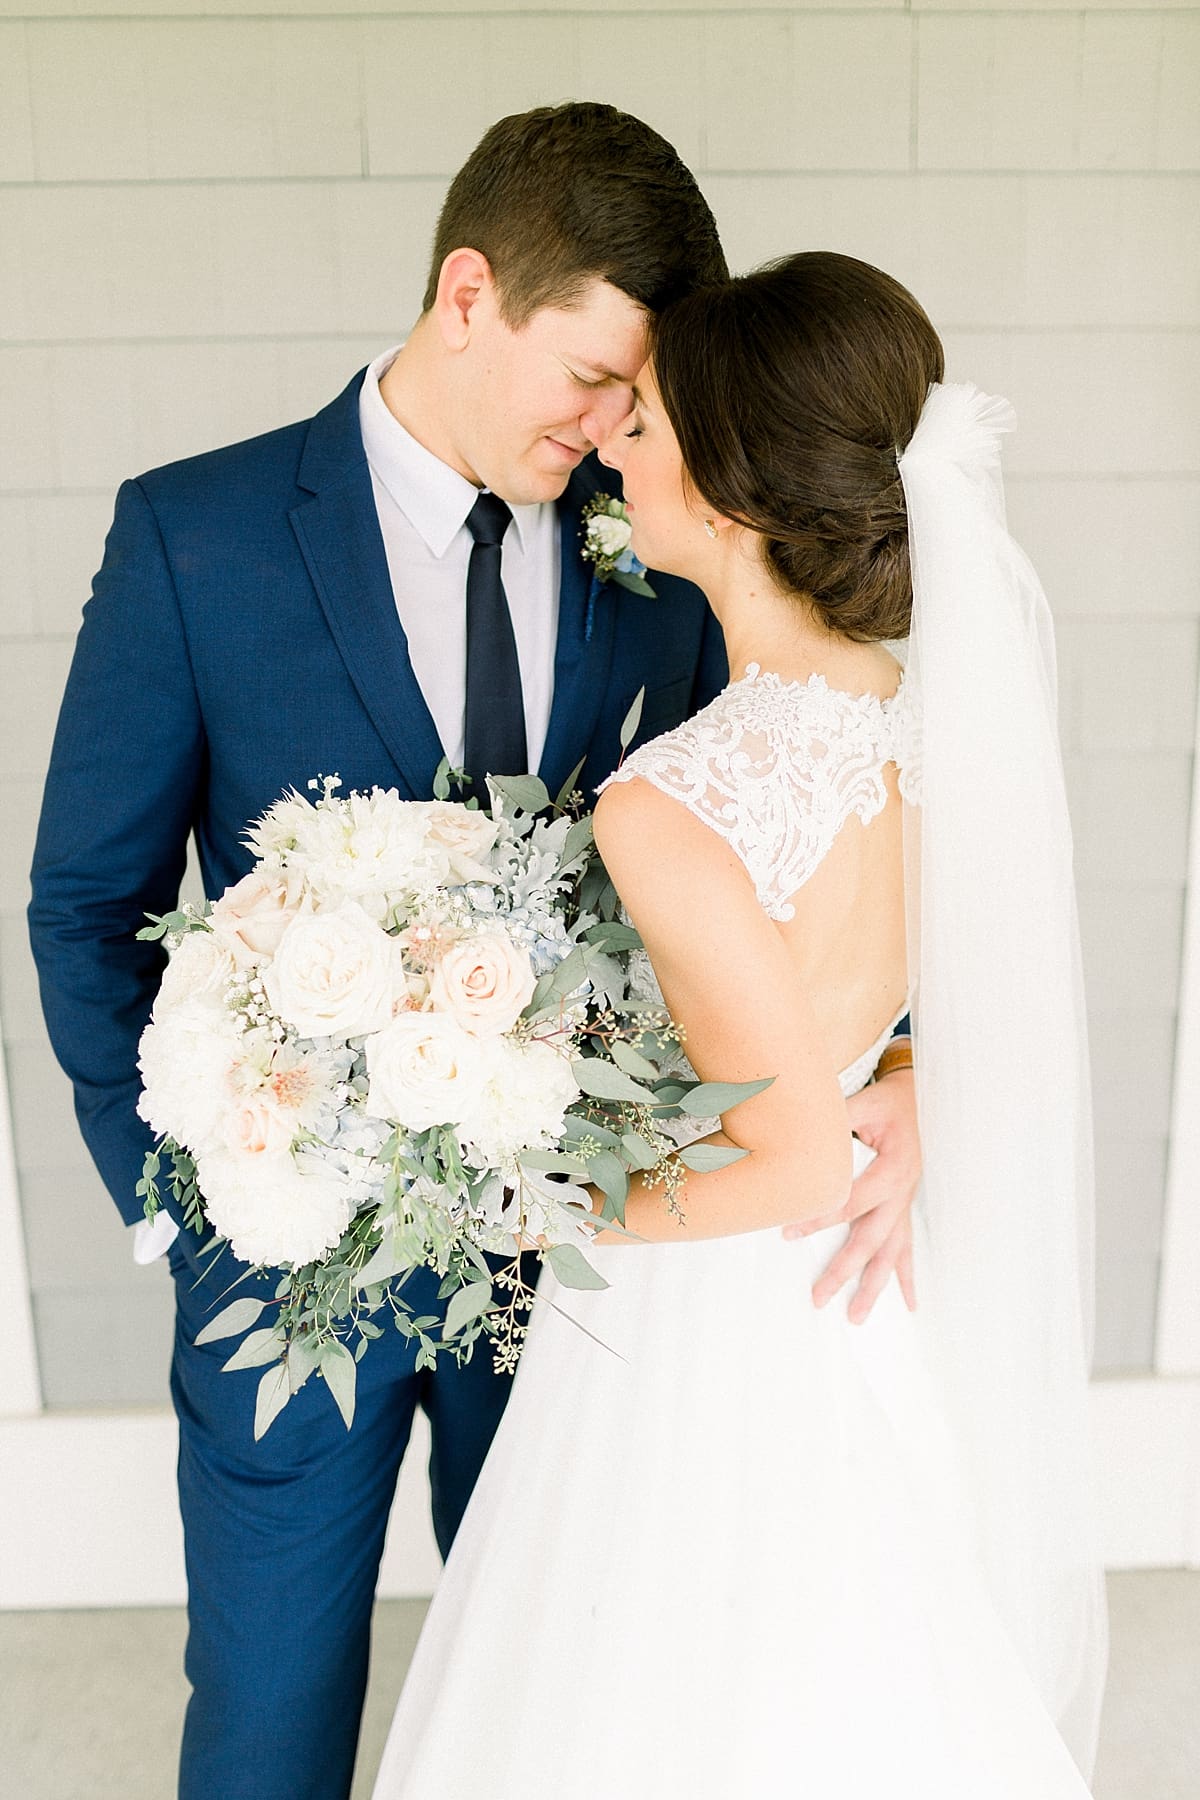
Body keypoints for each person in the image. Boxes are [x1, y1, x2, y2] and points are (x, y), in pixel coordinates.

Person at [27, 112, 921, 1800]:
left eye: (639, 397)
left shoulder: (662, 554)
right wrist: (189, 1199)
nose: (614, 430)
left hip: (600, 1291)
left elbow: (817, 819)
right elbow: (83, 905)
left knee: (566, 1717)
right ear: (468, 294)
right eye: (592, 374)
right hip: (294, 1274)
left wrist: (902, 1060)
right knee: (269, 1716)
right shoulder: (194, 537)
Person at [371, 254, 1108, 1797]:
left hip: (713, 1319)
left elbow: (779, 1165)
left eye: (645, 428)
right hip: (860, 1315)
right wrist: (908, 1084)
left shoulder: (674, 799)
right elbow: (930, 1016)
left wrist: (523, 1202)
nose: (611, 452)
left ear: (731, 489)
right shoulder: (932, 716)